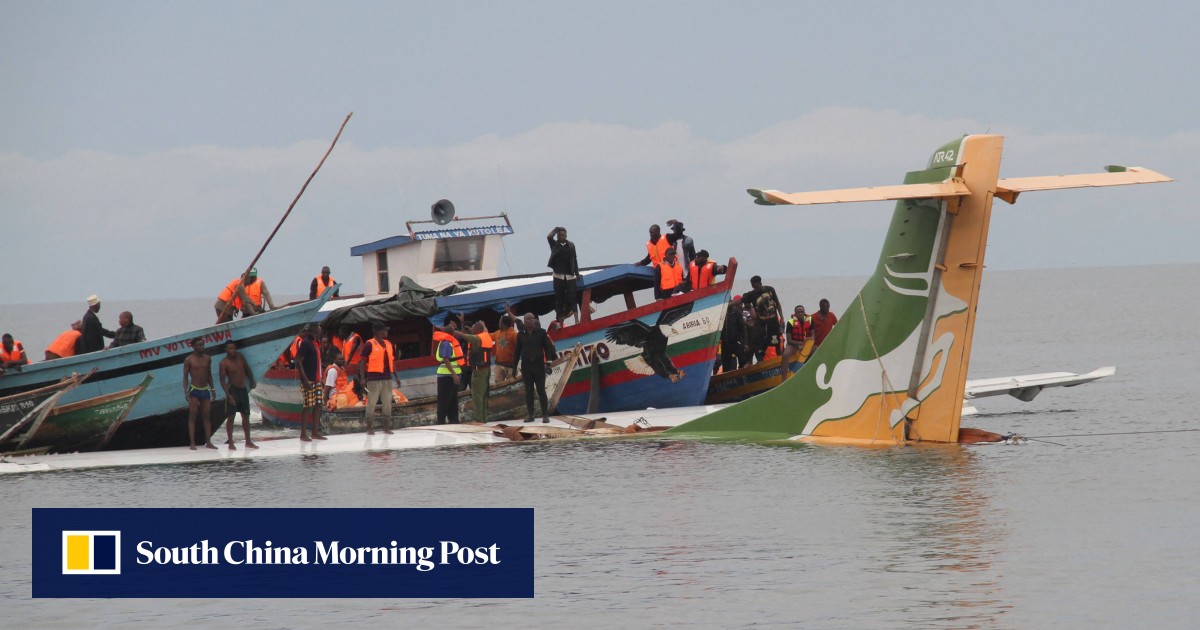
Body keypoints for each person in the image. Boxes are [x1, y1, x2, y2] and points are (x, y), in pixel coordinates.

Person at [446, 321, 494, 423]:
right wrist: (483, 325)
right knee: (484, 394)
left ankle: (478, 419)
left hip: (479, 371)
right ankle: (483, 418)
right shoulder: (486, 335)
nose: (471, 330)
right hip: (485, 369)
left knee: (477, 395)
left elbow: (464, 336)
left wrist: (454, 331)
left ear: (477, 330)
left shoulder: (477, 338)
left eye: (472, 328)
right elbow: (483, 329)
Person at [514, 313, 557, 423]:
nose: (532, 320)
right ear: (524, 321)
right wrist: (514, 368)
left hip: (538, 366)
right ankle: (531, 415)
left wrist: (548, 363)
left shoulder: (541, 332)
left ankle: (545, 415)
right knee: (529, 391)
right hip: (526, 367)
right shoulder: (520, 335)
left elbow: (547, 348)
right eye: (529, 318)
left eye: (533, 318)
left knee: (541, 390)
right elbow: (517, 352)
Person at [360, 322, 402, 433]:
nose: (386, 332)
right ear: (378, 332)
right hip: (373, 378)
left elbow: (392, 361)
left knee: (387, 403)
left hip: (387, 377)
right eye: (384, 330)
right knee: (372, 403)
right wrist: (363, 378)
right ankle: (369, 428)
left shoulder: (388, 344)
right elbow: (362, 361)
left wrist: (396, 376)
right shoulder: (369, 344)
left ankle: (386, 428)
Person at [218, 340, 258, 450]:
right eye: (230, 348)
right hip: (232, 390)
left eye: (234, 348)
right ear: (226, 350)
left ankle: (248, 441)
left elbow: (247, 369)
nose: (232, 351)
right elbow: (222, 381)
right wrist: (228, 395)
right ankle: (230, 442)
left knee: (246, 416)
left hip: (243, 389)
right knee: (231, 417)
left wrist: (252, 380)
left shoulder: (240, 356)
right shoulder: (224, 363)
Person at [183, 337, 216, 450]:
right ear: (193, 346)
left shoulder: (207, 358)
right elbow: (185, 377)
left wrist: (213, 389)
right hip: (194, 390)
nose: (202, 347)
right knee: (193, 415)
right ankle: (192, 443)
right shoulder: (189, 360)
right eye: (199, 345)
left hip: (205, 389)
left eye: (203, 345)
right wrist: (186, 391)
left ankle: (209, 442)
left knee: (207, 415)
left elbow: (209, 375)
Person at [294, 324, 326, 441]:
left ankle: (315, 432)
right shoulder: (306, 343)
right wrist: (305, 379)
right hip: (308, 379)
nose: (320, 334)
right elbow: (298, 361)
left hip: (317, 379)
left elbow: (317, 362)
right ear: (314, 331)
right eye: (319, 331)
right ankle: (303, 433)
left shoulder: (315, 343)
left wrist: (321, 377)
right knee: (308, 405)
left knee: (318, 404)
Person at [741, 276, 783, 362]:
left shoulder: (770, 289)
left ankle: (780, 359)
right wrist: (727, 304)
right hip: (761, 323)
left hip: (773, 321)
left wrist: (782, 317)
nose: (756, 288)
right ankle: (752, 362)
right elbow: (740, 301)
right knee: (756, 342)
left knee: (776, 342)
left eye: (757, 286)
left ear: (760, 283)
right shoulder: (752, 294)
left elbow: (777, 303)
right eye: (754, 287)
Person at [547, 226, 580, 325]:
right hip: (558, 275)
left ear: (566, 235)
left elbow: (574, 259)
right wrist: (556, 229)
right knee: (559, 299)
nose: (561, 236)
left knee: (573, 297)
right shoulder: (554, 245)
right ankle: (561, 323)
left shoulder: (571, 245)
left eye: (563, 234)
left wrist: (577, 273)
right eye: (559, 235)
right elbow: (549, 237)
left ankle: (576, 320)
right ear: (557, 236)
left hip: (569, 274)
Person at [432, 322, 464, 424]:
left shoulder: (451, 342)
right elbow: (446, 359)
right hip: (446, 376)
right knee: (444, 400)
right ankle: (440, 421)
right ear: (451, 333)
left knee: (452, 400)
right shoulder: (446, 343)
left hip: (451, 376)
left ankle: (453, 420)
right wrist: (454, 375)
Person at [782, 305, 813, 377]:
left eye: (802, 312)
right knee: (785, 355)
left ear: (804, 313)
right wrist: (799, 343)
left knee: (817, 350)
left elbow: (813, 335)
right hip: (793, 344)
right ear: (795, 314)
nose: (800, 314)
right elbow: (789, 340)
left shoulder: (810, 320)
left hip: (806, 343)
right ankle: (784, 378)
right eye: (798, 312)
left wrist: (807, 342)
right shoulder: (790, 322)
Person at [717, 300, 746, 374]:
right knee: (726, 365)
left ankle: (743, 373)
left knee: (742, 359)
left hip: (736, 341)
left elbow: (742, 328)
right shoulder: (721, 314)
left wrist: (745, 342)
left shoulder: (736, 313)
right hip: (725, 343)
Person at [492, 313, 519, 382]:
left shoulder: (513, 334)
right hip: (498, 364)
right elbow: (487, 336)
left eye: (499, 322)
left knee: (513, 383)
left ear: (503, 324)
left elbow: (521, 345)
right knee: (498, 385)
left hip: (511, 366)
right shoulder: (497, 333)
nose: (498, 324)